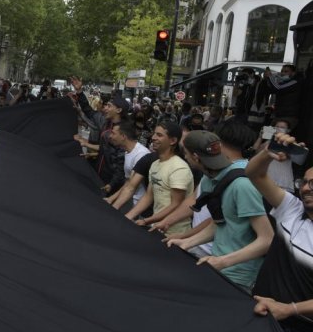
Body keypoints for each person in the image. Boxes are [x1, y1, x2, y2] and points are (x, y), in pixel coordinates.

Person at [166, 131, 272, 291]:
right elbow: (221, 222)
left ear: (195, 157)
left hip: (239, 276)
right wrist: (187, 243)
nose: (185, 157)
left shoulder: (242, 185)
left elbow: (267, 239)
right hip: (217, 267)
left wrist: (223, 261)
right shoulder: (209, 178)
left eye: (185, 153)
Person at [247, 132, 313, 330]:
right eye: (304, 182)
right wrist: (271, 151)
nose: (307, 188)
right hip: (259, 315)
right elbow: (254, 173)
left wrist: (289, 309)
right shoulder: (292, 208)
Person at [127, 122, 195, 235]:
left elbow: (176, 204)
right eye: (154, 134)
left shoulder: (179, 168)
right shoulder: (155, 165)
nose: (153, 138)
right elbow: (149, 196)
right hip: (157, 228)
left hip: (174, 233)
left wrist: (147, 220)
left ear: (173, 141)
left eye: (159, 135)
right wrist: (129, 216)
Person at [72, 76, 128, 195]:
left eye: (109, 106)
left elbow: (120, 164)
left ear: (118, 110)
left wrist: (111, 184)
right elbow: (89, 111)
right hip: (98, 173)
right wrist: (79, 91)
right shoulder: (105, 122)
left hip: (110, 181)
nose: (105, 108)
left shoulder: (125, 132)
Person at [106, 121, 151, 211]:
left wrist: (114, 205)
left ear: (123, 136)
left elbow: (131, 186)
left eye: (113, 133)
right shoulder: (127, 151)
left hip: (138, 205)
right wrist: (111, 199)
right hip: (130, 201)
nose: (110, 136)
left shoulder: (141, 154)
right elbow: (128, 181)